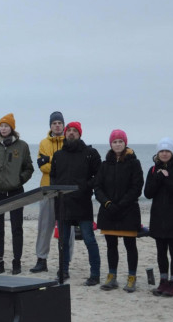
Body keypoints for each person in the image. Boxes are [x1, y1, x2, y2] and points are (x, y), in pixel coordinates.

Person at [49, 122, 100, 285]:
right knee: (63, 240)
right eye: (69, 130)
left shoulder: (90, 153)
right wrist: (56, 193)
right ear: (65, 133)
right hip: (63, 203)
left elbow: (99, 176)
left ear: (80, 134)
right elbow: (53, 177)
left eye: (74, 131)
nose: (71, 133)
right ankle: (63, 271)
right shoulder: (58, 155)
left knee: (89, 239)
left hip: (82, 202)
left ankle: (95, 274)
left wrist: (86, 187)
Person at [0, 113, 34, 274]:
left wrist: (20, 179)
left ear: (12, 128)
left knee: (16, 227)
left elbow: (29, 168)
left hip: (15, 191)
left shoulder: (22, 146)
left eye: (6, 126)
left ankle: (16, 262)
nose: (3, 129)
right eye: (1, 126)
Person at [93, 130, 143, 292]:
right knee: (111, 245)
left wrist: (121, 204)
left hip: (128, 210)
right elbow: (98, 186)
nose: (118, 144)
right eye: (115, 142)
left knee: (130, 245)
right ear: (111, 144)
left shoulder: (134, 163)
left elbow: (136, 187)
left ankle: (131, 277)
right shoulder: (105, 164)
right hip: (108, 210)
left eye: (120, 141)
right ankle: (112, 276)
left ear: (125, 143)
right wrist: (107, 203)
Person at [144, 138, 173, 297]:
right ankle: (163, 281)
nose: (164, 154)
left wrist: (167, 178)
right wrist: (158, 177)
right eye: (161, 151)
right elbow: (148, 193)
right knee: (161, 251)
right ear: (157, 153)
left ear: (172, 152)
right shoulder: (152, 170)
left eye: (167, 151)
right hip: (158, 217)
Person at [32, 112, 68, 273]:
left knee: (67, 228)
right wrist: (59, 163)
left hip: (67, 192)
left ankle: (65, 262)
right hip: (47, 189)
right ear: (50, 125)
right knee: (44, 226)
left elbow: (70, 166)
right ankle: (41, 259)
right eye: (54, 123)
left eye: (60, 122)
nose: (57, 125)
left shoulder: (70, 141)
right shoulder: (43, 143)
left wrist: (51, 160)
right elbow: (43, 167)